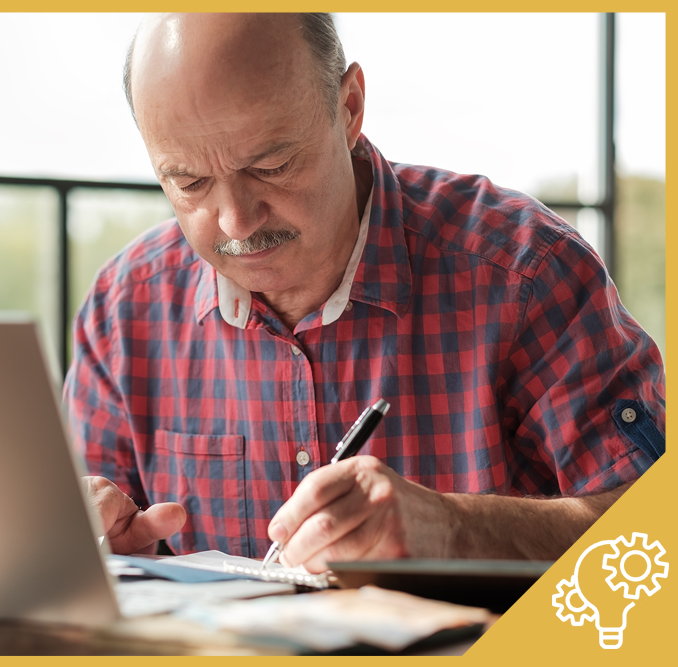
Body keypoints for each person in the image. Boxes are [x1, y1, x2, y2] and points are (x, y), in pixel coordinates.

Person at [64, 13, 665, 572]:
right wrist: (90, 547)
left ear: (349, 107)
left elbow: (655, 541)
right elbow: (76, 564)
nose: (234, 222)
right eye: (189, 182)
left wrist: (454, 529)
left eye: (270, 165)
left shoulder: (523, 273)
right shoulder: (124, 311)